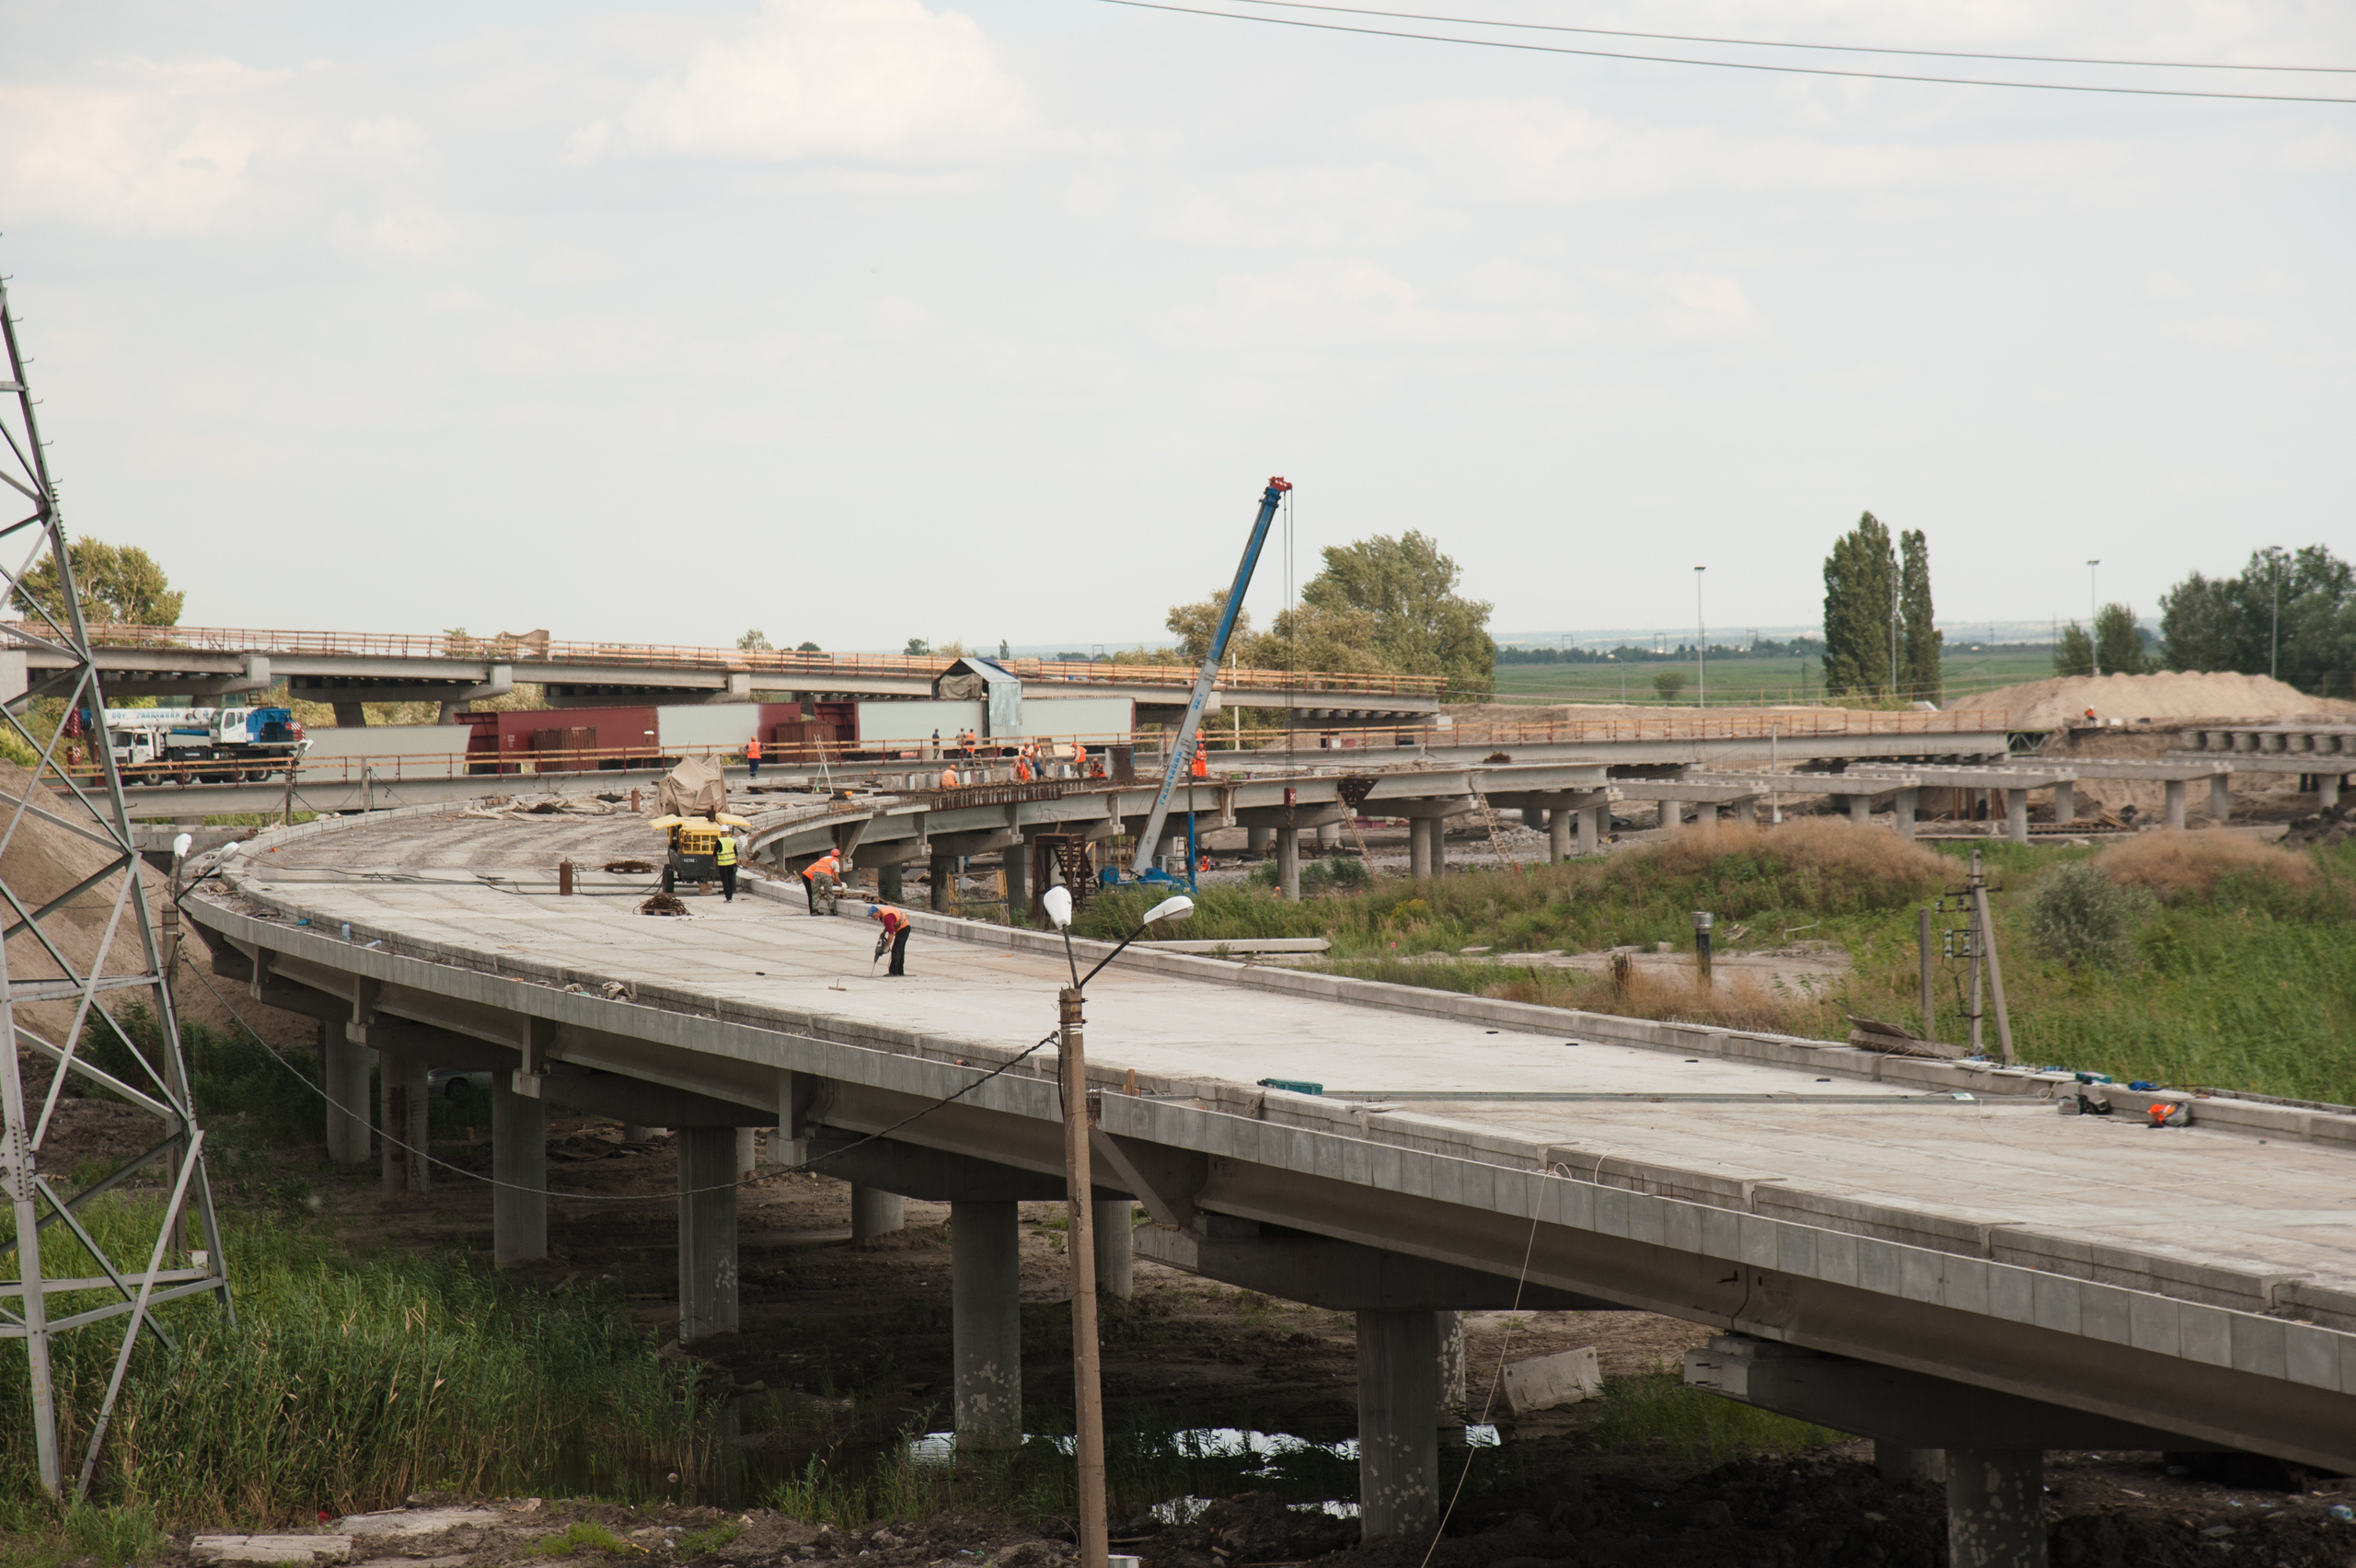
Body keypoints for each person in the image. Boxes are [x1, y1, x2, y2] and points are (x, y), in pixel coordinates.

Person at [869, 904, 912, 976]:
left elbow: (891, 933)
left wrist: (887, 946)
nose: (873, 918)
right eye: (872, 917)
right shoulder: (882, 914)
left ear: (878, 912)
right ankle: (900, 971)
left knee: (896, 949)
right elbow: (889, 925)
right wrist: (884, 932)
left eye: (874, 916)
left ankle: (893, 972)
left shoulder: (887, 917)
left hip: (903, 928)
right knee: (900, 950)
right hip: (902, 927)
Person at [802, 847, 843, 915]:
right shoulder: (836, 862)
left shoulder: (824, 858)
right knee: (829, 892)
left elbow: (831, 876)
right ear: (839, 856)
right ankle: (832, 910)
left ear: (831, 854)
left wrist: (836, 882)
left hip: (816, 874)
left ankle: (814, 911)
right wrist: (841, 884)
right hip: (825, 875)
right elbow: (836, 877)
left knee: (815, 893)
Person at [715, 829, 739, 902]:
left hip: (723, 864)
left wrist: (714, 861)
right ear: (728, 832)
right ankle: (730, 897)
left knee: (725, 880)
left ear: (721, 833)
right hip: (731, 863)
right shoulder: (732, 841)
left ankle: (728, 897)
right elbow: (736, 853)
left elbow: (715, 852)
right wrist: (737, 862)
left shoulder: (719, 841)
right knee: (730, 880)